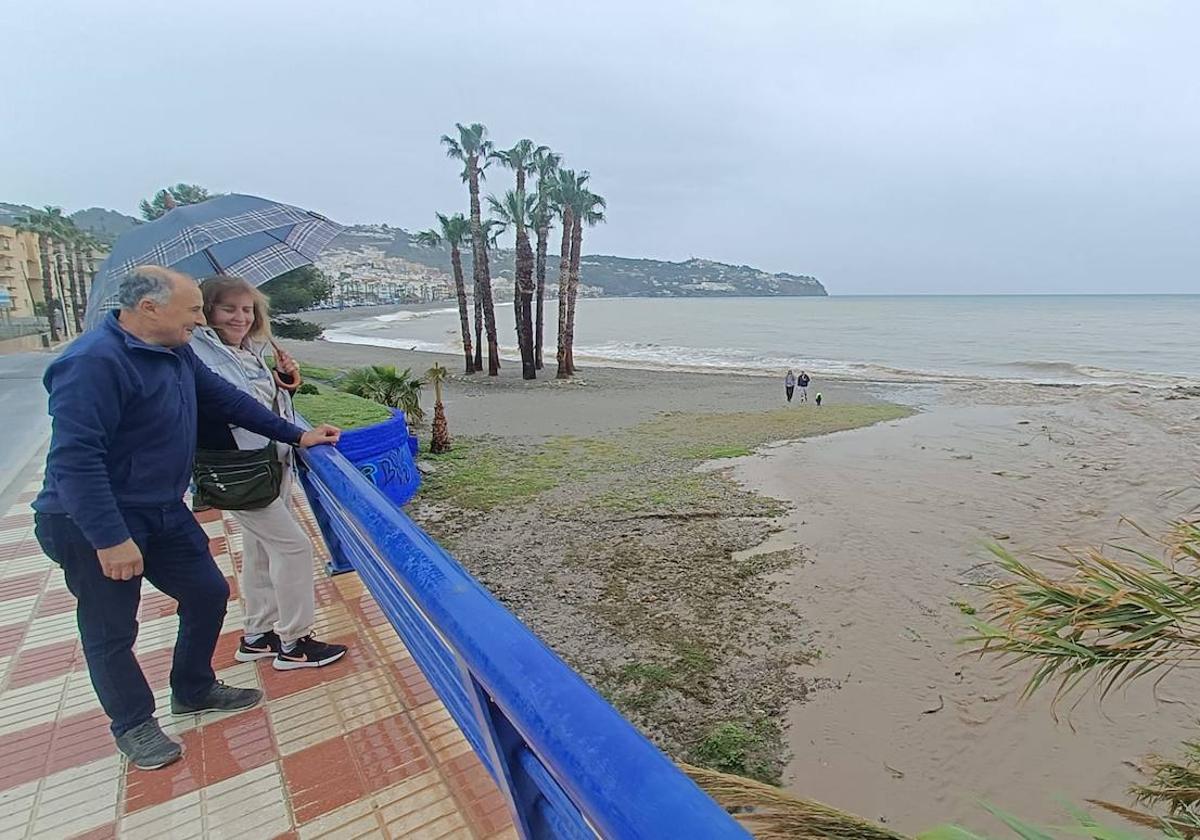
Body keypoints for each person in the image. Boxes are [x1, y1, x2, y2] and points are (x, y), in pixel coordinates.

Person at [32, 266, 340, 772]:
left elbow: (228, 399)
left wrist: (295, 434)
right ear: (149, 308)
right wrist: (109, 539)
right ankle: (133, 724)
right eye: (194, 309)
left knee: (206, 592)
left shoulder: (176, 353)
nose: (200, 320)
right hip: (90, 519)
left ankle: (193, 687)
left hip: (161, 508)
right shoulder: (92, 363)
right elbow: (74, 460)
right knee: (111, 627)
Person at [192, 276, 347, 672]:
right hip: (241, 470)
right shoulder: (200, 354)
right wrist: (300, 435)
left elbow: (263, 405)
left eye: (247, 309)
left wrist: (286, 384)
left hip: (266, 463)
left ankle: (258, 635)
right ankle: (294, 642)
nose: (240, 317)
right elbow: (237, 409)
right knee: (294, 548)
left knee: (261, 550)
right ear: (207, 310)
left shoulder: (242, 351)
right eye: (229, 308)